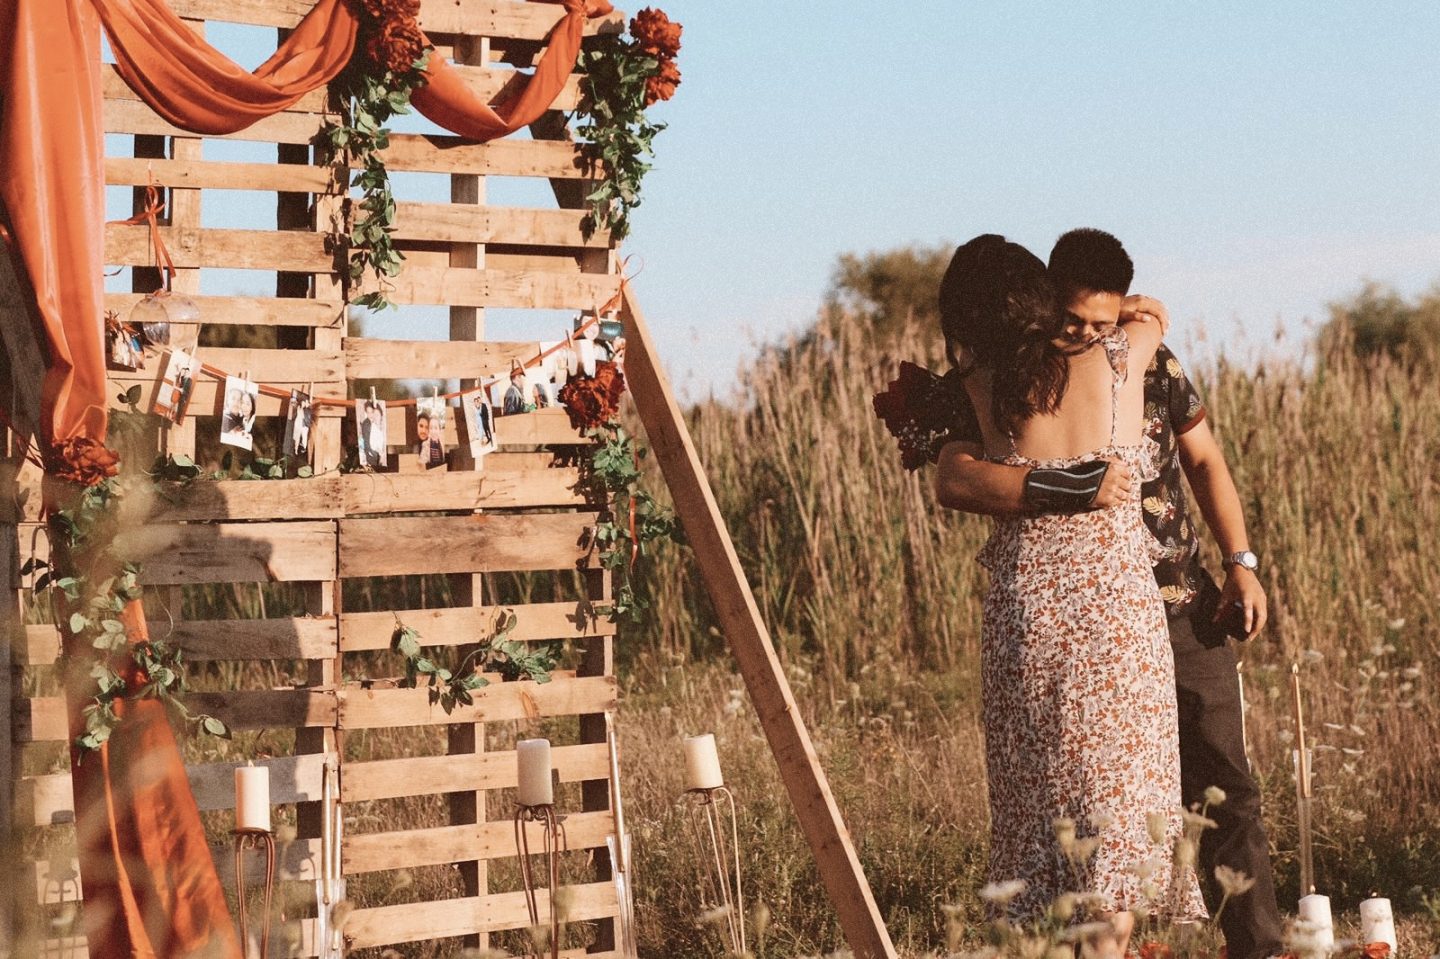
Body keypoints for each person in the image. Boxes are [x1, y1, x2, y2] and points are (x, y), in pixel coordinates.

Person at [936, 228, 1282, 959]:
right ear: (1043, 301)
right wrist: (1131, 322)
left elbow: (953, 478)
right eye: (1074, 319)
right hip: (1124, 617)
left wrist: (1240, 559)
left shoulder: (977, 391)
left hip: (1044, 613)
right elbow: (1151, 314)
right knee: (1118, 811)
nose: (1089, 331)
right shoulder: (1131, 355)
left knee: (1065, 810)